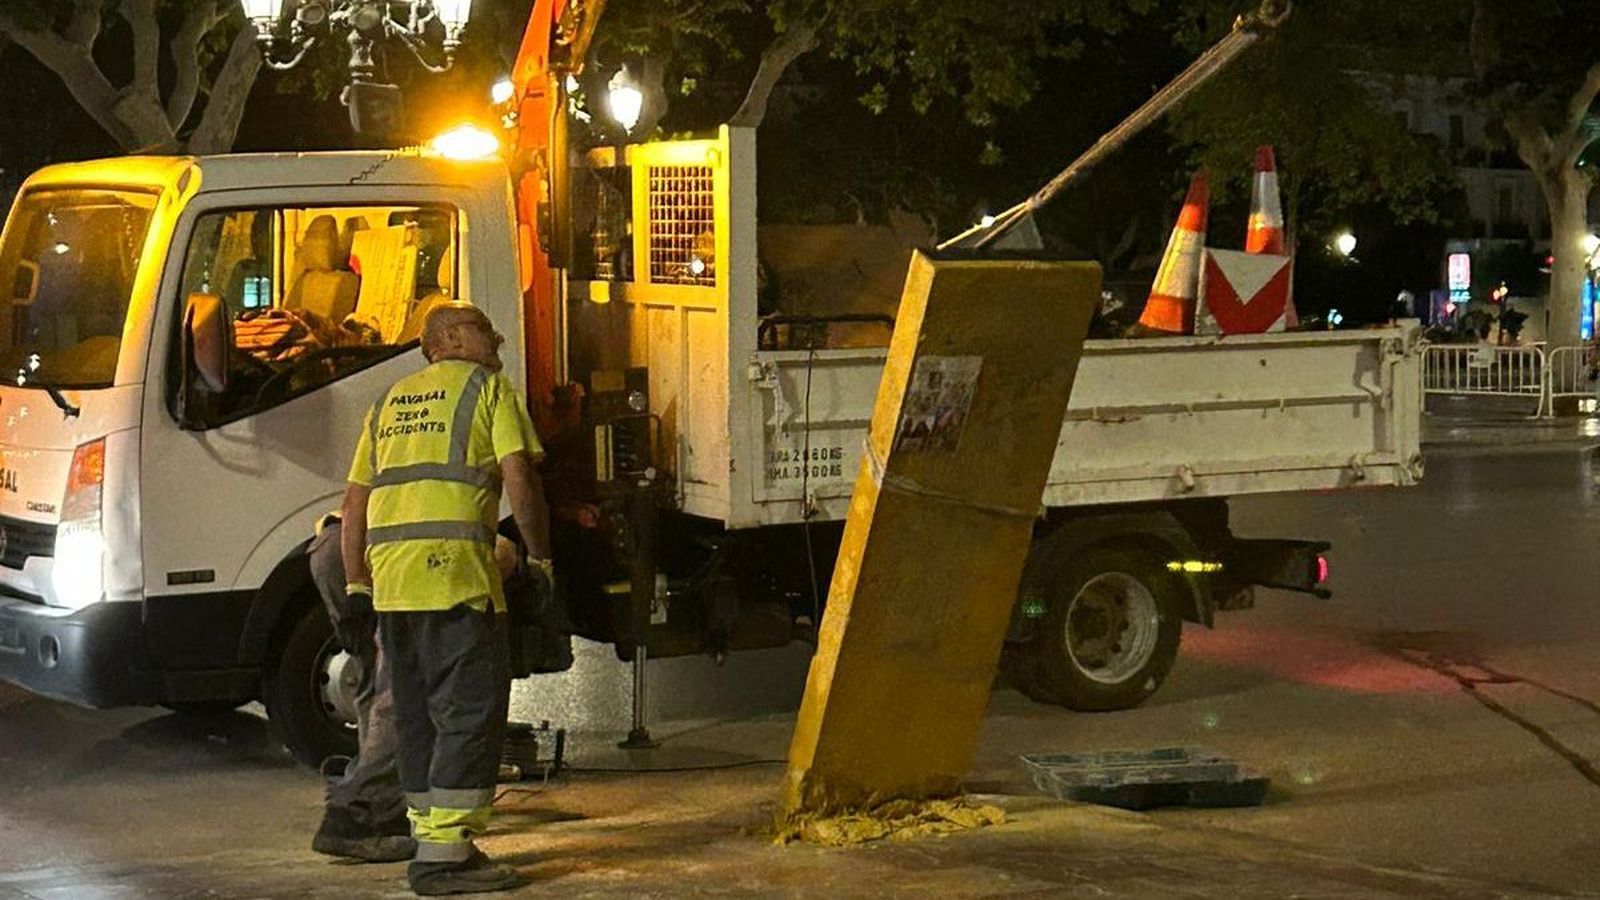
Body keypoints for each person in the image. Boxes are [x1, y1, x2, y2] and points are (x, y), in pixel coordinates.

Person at [342, 301, 551, 896]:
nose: (498, 343)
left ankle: (435, 840)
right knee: (469, 714)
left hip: (395, 586)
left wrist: (359, 586)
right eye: (488, 331)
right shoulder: (489, 389)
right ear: (451, 337)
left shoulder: (389, 402)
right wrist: (540, 557)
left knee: (416, 716)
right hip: (458, 578)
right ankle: (444, 858)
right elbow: (519, 477)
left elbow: (354, 501)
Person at [307, 513, 413, 863]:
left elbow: (354, 499)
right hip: (386, 556)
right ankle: (357, 814)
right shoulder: (496, 546)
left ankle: (377, 797)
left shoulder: (387, 455)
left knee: (372, 680)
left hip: (333, 546)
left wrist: (354, 587)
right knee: (399, 692)